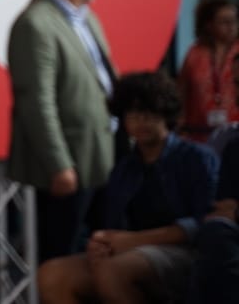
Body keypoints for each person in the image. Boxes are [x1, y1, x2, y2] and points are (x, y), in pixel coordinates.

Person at [38, 72, 218, 304]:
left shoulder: (197, 158)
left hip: (188, 255)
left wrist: (133, 241)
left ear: (166, 114)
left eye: (149, 112)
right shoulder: (124, 169)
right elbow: (111, 227)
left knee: (113, 271)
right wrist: (100, 244)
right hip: (130, 253)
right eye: (132, 113)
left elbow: (204, 223)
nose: (140, 120)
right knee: (51, 274)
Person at [8, 0, 119, 262]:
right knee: (61, 255)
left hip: (103, 155)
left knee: (104, 252)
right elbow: (36, 101)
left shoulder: (87, 19)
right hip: (71, 163)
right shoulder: (37, 23)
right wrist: (59, 164)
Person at [191, 108, 239, 303]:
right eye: (236, 83)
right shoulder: (234, 146)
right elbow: (221, 207)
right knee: (215, 232)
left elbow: (232, 209)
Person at [180, 0, 239, 142]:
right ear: (208, 24)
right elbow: (182, 93)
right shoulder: (194, 54)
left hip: (235, 131)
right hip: (198, 133)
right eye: (224, 21)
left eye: (234, 20)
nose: (231, 26)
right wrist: (180, 126)